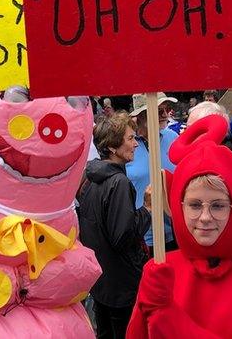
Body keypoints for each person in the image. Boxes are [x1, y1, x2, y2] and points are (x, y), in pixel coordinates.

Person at [126, 115, 232, 338]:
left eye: (218, 206)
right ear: (176, 206)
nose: (205, 217)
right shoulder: (162, 268)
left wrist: (170, 319)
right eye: (195, 205)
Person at [77, 112, 151, 339]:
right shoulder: (118, 183)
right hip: (122, 285)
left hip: (101, 281)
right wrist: (147, 209)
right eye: (129, 139)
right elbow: (123, 237)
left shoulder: (89, 176)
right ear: (111, 147)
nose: (136, 143)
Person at [128, 93, 178, 255]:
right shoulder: (127, 144)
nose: (165, 115)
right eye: (159, 111)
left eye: (167, 110)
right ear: (142, 115)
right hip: (142, 234)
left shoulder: (173, 138)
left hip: (175, 229)